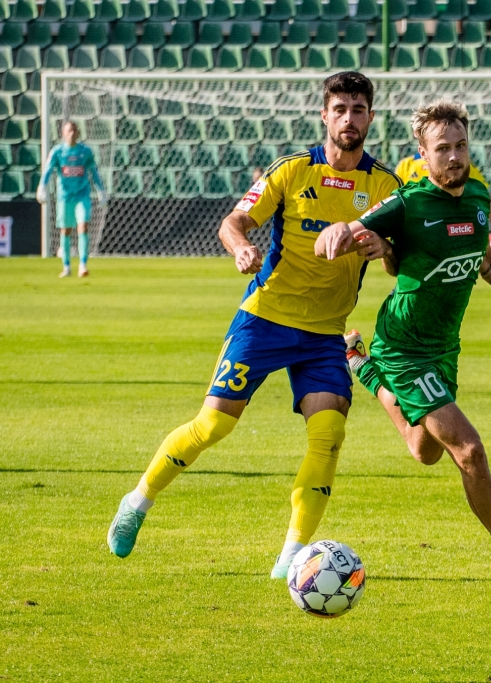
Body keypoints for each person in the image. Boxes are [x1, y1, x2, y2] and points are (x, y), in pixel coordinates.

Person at [106, 72, 402, 579]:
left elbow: (399, 260)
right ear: (324, 115)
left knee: (329, 432)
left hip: (325, 333)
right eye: (340, 109)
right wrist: (242, 247)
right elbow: (233, 222)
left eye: (358, 109)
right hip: (265, 319)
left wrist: (384, 247)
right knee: (213, 425)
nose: (349, 119)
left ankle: (293, 556)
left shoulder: (385, 186)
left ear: (371, 118)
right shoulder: (292, 170)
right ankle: (137, 501)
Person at [316, 99, 491, 582]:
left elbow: (483, 259)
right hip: (404, 347)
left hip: (443, 347)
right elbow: (357, 227)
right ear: (423, 153)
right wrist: (339, 233)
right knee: (468, 449)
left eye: (460, 146)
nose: (454, 157)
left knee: (425, 450)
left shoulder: (476, 196)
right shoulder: (409, 202)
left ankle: (362, 367)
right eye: (443, 149)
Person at [394, 152, 491, 263]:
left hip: (454, 238)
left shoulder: (459, 165)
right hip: (418, 246)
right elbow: (395, 206)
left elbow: (486, 199)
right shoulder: (405, 166)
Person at [37, 121, 106, 278]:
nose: (72, 133)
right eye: (69, 130)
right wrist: (42, 187)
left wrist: (101, 190)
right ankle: (66, 267)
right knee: (65, 230)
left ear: (78, 133)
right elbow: (48, 169)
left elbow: (93, 171)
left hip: (82, 195)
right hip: (65, 196)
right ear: (63, 133)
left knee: (83, 227)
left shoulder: (85, 151)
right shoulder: (57, 151)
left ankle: (83, 265)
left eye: (74, 130)